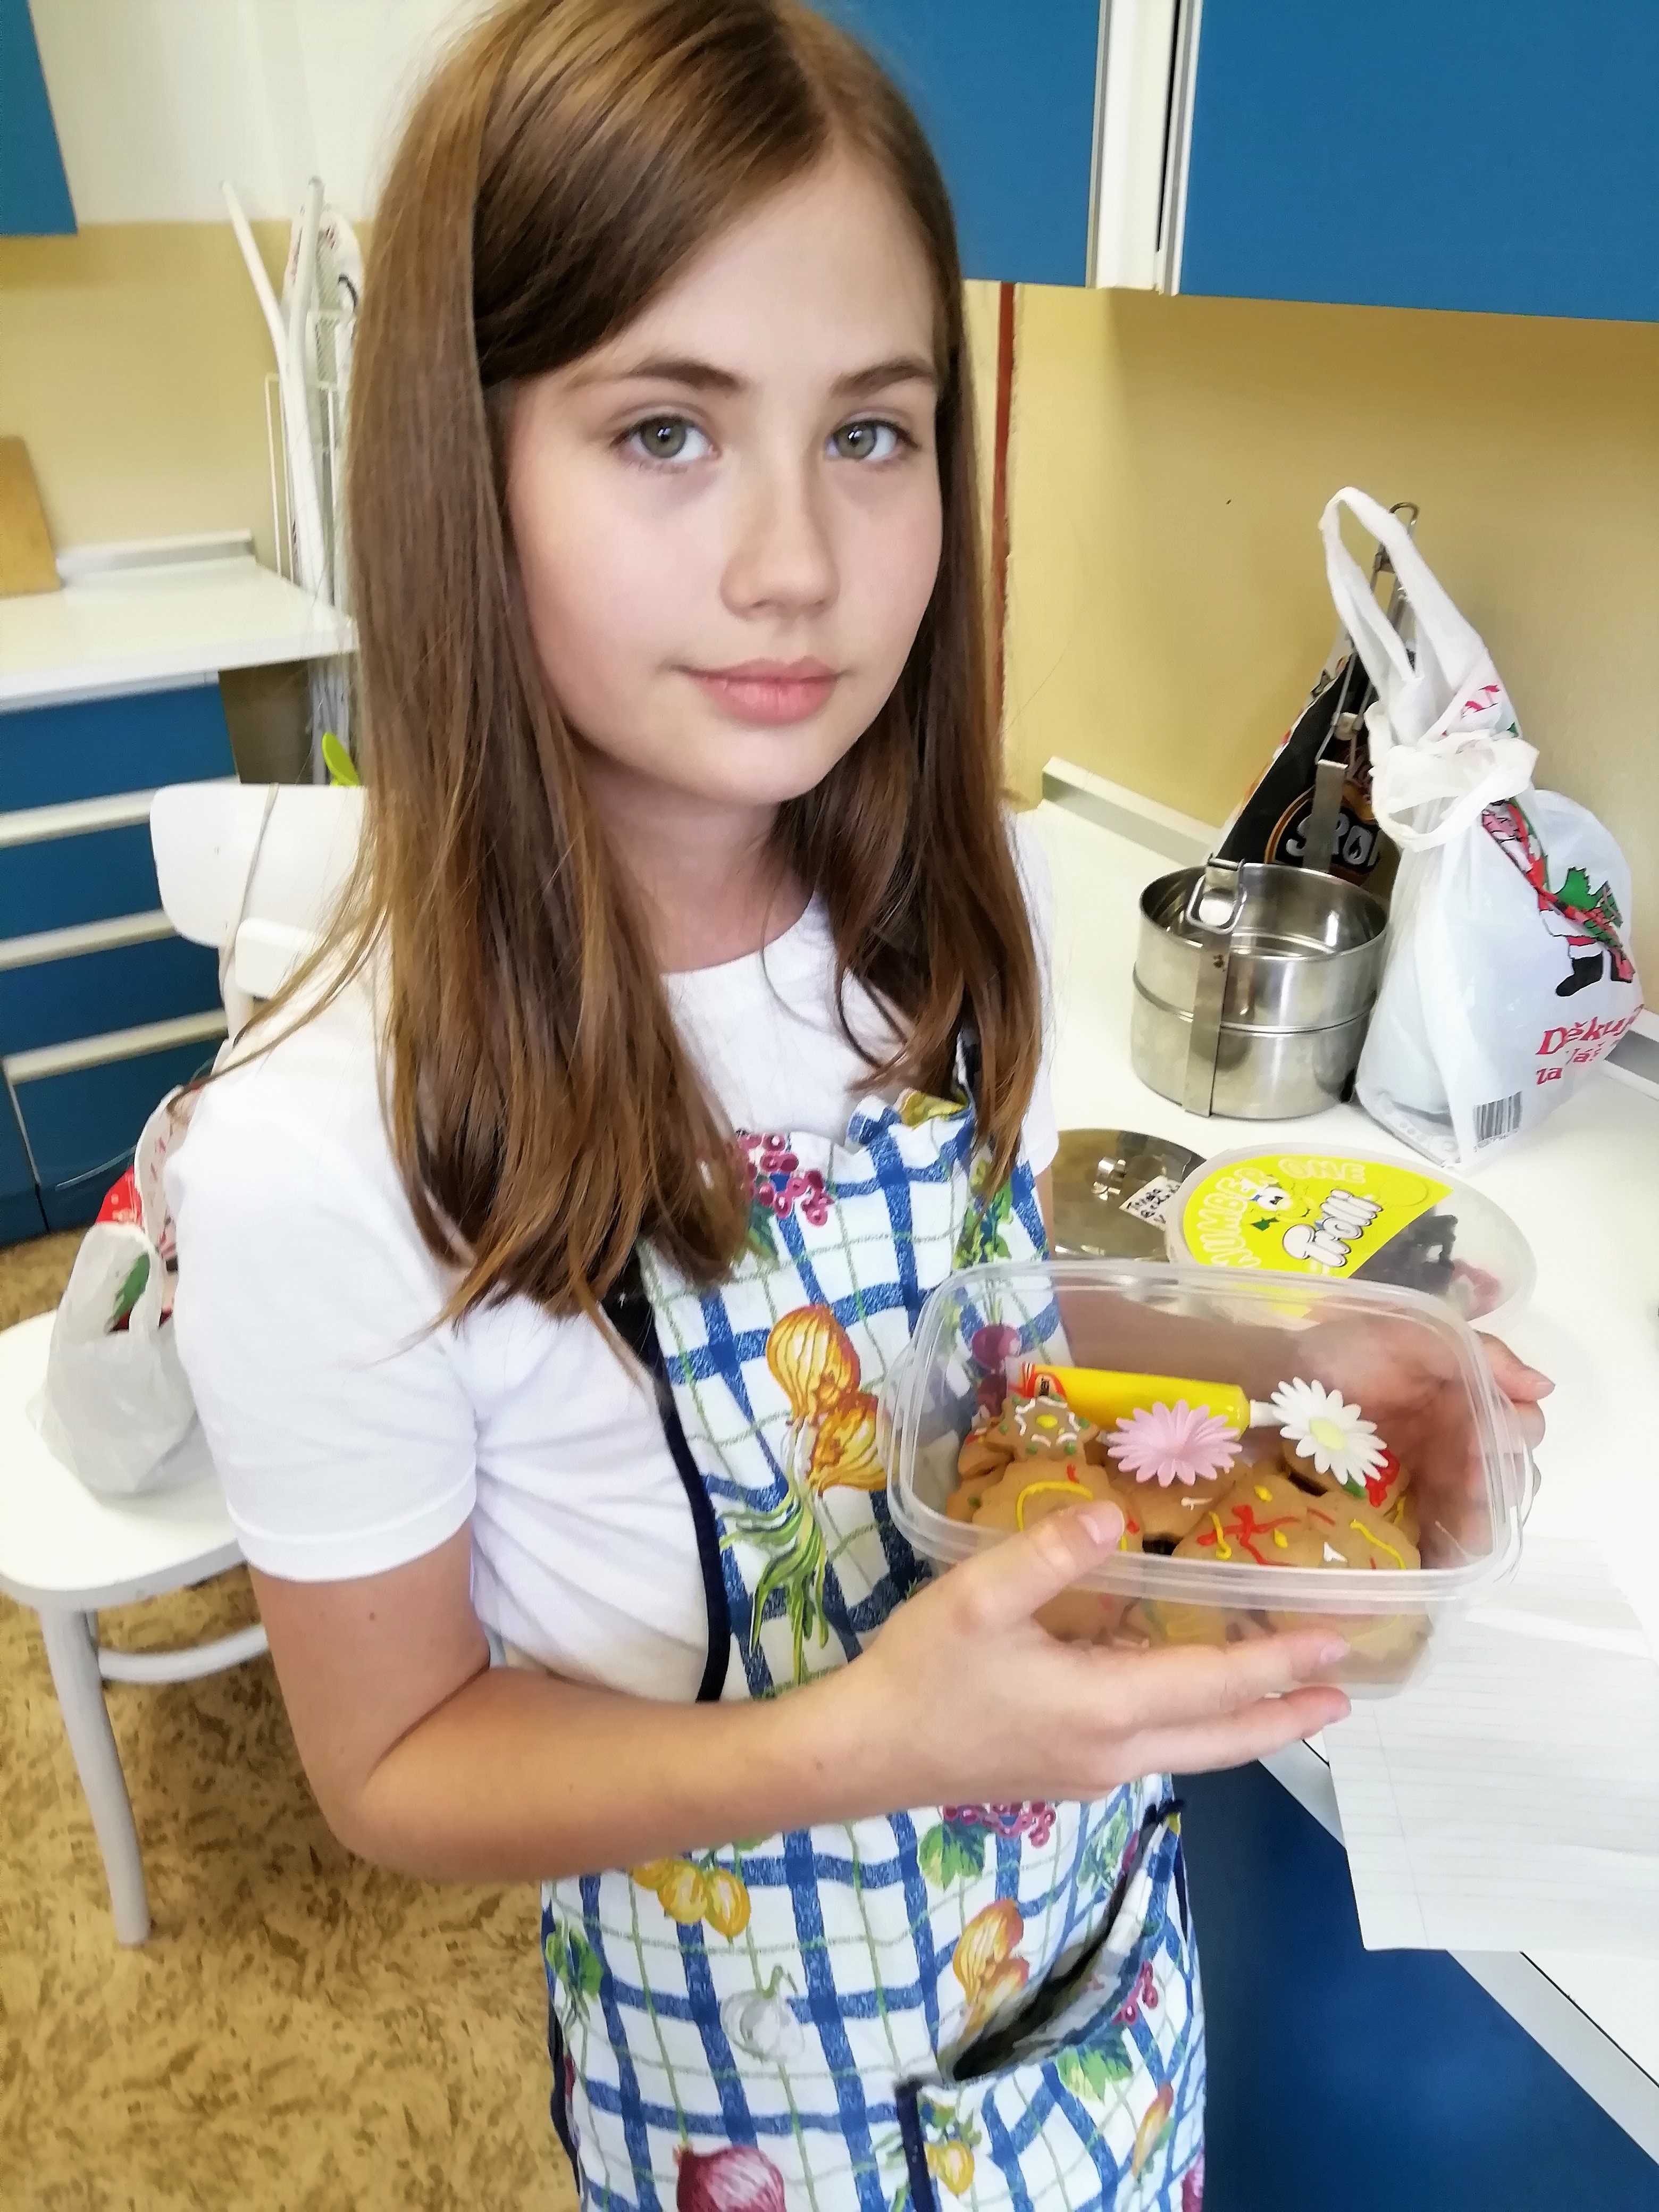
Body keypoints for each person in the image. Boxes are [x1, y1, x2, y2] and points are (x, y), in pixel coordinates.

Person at [167, 4, 1551, 2207]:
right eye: (666, 429)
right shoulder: (323, 1150)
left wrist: (1292, 1381)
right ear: (462, 462)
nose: (797, 560)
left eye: (875, 431)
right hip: (762, 2107)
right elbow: (398, 1761)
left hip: (1096, 1999)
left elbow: (972, 1344)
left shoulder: (959, 906)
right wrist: (866, 1741)